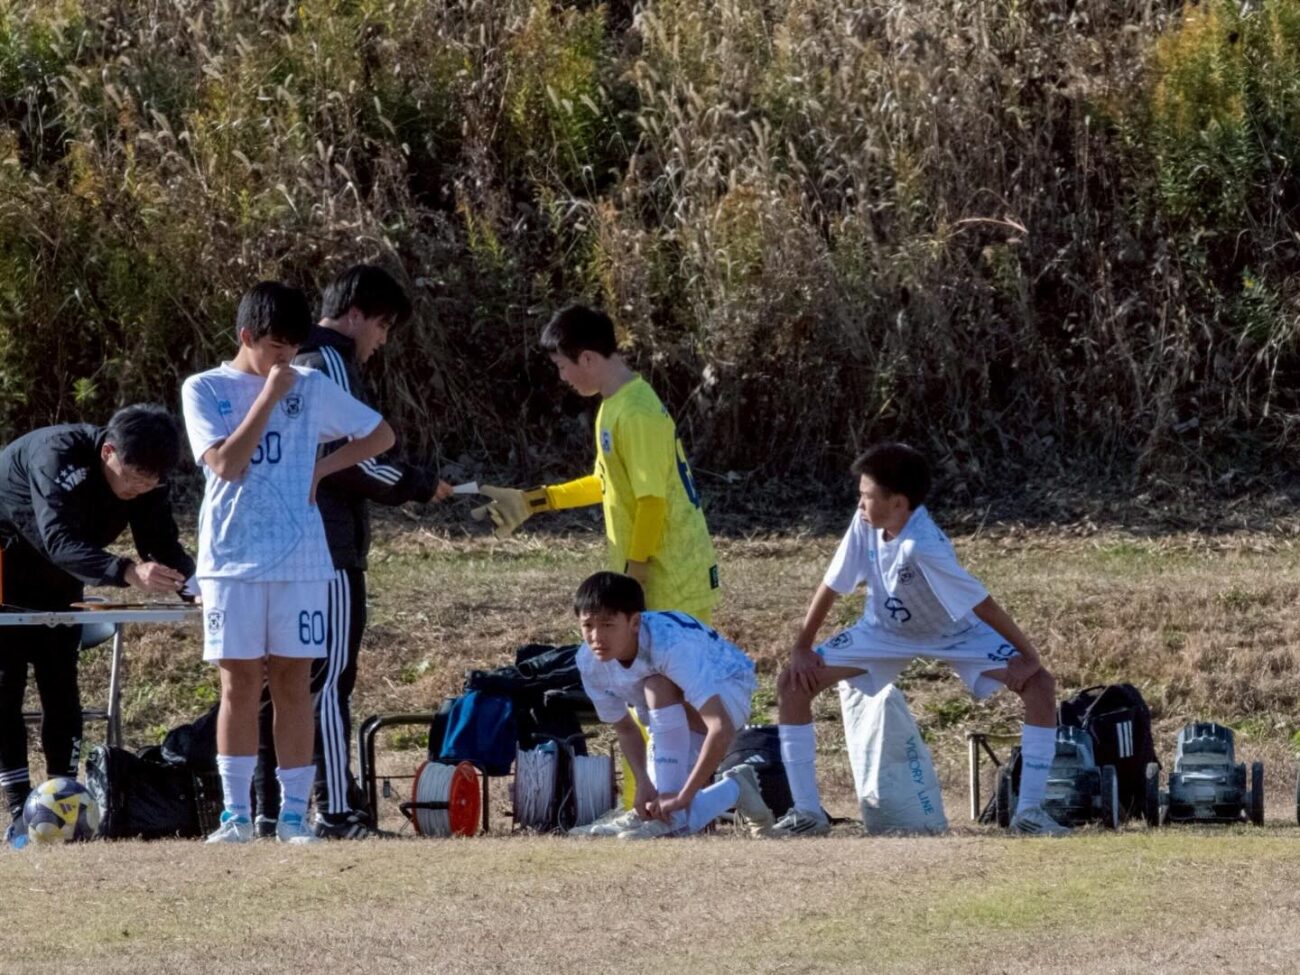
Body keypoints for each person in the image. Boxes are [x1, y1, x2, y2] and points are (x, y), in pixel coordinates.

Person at [181, 281, 394, 844]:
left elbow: (380, 433)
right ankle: (236, 815)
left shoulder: (313, 384)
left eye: (294, 347)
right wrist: (269, 397)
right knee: (239, 685)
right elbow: (225, 464)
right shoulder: (204, 388)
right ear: (247, 336)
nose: (287, 359)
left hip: (301, 559)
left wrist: (322, 471)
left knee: (296, 683)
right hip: (231, 560)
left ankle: (296, 815)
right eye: (276, 347)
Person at [770, 442, 1066, 836]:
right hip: (882, 634)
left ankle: (1029, 813)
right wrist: (802, 647)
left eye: (868, 496)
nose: (860, 504)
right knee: (793, 683)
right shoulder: (866, 523)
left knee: (1040, 686)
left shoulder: (923, 546)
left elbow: (981, 604)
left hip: (955, 636)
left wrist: (1030, 656)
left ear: (898, 503)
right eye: (860, 495)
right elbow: (833, 583)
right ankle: (807, 814)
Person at [255, 264, 452, 840]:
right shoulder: (331, 361)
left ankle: (272, 810)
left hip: (283, 549)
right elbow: (359, 460)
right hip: (329, 553)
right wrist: (418, 484)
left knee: (284, 681)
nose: (381, 342)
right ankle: (336, 811)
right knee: (329, 677)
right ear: (356, 314)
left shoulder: (289, 360)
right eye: (383, 327)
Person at [0, 404, 195, 847]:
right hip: (7, 561)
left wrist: (193, 584)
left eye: (154, 481)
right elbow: (59, 538)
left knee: (60, 683)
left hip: (61, 576)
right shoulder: (57, 457)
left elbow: (161, 542)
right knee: (4, 684)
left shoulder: (147, 480)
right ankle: (17, 808)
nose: (143, 488)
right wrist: (127, 571)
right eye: (135, 478)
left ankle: (64, 800)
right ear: (109, 451)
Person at [472, 304, 719, 623]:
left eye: (561, 366)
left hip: (673, 579)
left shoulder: (636, 413)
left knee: (676, 672)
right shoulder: (613, 404)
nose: (561, 377)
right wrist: (534, 501)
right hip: (649, 578)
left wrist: (634, 573)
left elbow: (652, 501)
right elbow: (606, 483)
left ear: (586, 357)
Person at [568, 571, 772, 840]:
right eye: (588, 626)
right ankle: (733, 788)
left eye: (607, 625)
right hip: (669, 713)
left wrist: (682, 796)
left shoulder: (670, 647)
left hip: (728, 688)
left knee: (655, 685)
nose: (596, 636)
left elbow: (720, 727)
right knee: (673, 814)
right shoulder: (588, 661)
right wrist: (644, 783)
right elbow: (626, 729)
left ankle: (667, 813)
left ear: (634, 622)